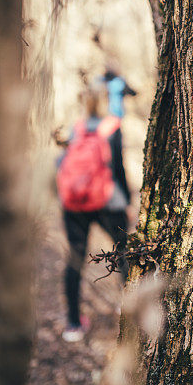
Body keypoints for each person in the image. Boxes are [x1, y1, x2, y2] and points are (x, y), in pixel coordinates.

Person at [55, 84, 130, 342]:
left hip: (74, 204)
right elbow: (117, 167)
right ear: (106, 101)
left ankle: (74, 324)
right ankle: (129, 307)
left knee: (75, 259)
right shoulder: (112, 127)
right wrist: (128, 199)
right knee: (124, 251)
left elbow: (62, 163)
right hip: (107, 201)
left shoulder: (73, 129)